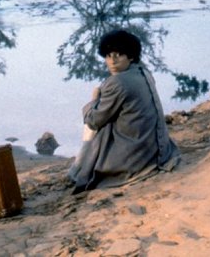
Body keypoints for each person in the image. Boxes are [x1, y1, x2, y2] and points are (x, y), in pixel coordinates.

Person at [68, 29, 180, 193]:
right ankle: (79, 167)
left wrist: (93, 100)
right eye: (108, 55)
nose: (112, 61)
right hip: (155, 148)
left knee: (98, 128)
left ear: (131, 56)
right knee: (108, 116)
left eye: (118, 55)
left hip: (135, 155)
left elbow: (93, 121)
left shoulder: (118, 82)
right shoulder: (143, 72)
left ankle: (78, 168)